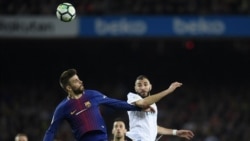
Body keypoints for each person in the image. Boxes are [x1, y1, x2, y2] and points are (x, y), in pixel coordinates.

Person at [42, 69, 182, 141]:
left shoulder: (93, 94)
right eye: (76, 81)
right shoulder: (63, 107)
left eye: (79, 79)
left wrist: (136, 107)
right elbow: (51, 131)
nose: (81, 81)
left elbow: (115, 104)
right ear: (68, 88)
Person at [126, 75, 195, 141]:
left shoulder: (154, 105)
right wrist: (168, 90)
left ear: (150, 86)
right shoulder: (132, 97)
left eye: (145, 84)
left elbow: (154, 128)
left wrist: (175, 132)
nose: (143, 88)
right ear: (135, 88)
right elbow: (143, 103)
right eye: (139, 85)